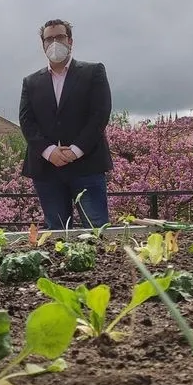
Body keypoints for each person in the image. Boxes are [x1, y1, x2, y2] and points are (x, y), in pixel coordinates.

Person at [19, 19, 113, 230]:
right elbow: (26, 121)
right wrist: (49, 151)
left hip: (87, 165)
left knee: (96, 230)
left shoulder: (93, 72)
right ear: (42, 45)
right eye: (49, 39)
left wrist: (76, 150)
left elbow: (100, 114)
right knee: (56, 232)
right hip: (47, 169)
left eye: (59, 37)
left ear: (70, 41)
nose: (54, 42)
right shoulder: (31, 82)